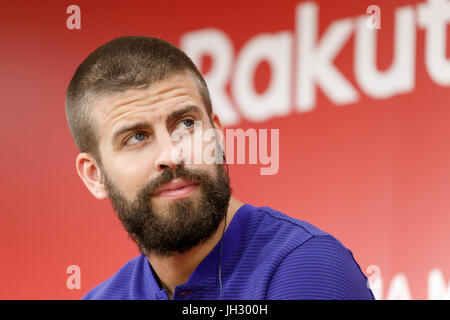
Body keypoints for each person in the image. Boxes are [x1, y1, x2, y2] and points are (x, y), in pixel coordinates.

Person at [65, 35, 375, 300]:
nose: (172, 155)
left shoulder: (306, 268)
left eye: (186, 123)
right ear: (95, 176)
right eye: (136, 138)